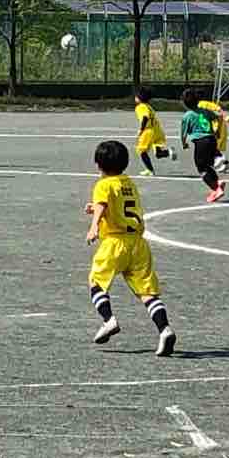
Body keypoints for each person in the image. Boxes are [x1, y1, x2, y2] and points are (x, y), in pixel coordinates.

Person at [86, 140, 176, 357]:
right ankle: (165, 330)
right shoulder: (129, 183)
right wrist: (99, 211)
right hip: (138, 243)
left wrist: (94, 225)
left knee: (96, 282)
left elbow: (103, 204)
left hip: (115, 243)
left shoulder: (103, 185)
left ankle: (109, 320)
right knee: (147, 292)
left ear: (98, 164)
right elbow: (116, 206)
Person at [180, 88, 226, 203]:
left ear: (185, 103)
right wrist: (218, 131)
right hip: (212, 140)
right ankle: (217, 182)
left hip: (201, 143)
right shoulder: (205, 111)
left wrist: (184, 143)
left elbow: (183, 133)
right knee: (207, 164)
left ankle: (216, 189)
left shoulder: (187, 116)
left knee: (201, 168)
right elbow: (219, 117)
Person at [134, 86, 176, 176]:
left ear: (139, 98)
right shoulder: (149, 107)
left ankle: (150, 170)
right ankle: (169, 152)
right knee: (158, 154)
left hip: (148, 131)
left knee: (142, 151)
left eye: (136, 96)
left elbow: (145, 117)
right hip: (157, 130)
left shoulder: (141, 107)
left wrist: (141, 130)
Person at [197, 97, 229, 171]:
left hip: (216, 128)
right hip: (214, 128)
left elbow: (218, 110)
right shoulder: (201, 105)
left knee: (211, 147)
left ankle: (222, 161)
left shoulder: (202, 104)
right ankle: (225, 163)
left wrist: (224, 116)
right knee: (212, 147)